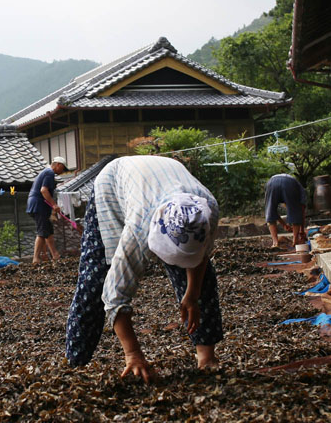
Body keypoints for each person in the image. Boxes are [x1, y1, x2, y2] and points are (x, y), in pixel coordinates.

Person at [65, 155, 222, 383]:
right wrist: (133, 354)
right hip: (113, 185)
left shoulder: (207, 210)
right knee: (94, 281)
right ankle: (75, 363)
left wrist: (192, 295)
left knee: (204, 280)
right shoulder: (139, 229)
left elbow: (201, 256)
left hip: (160, 180)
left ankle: (207, 358)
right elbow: (115, 294)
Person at [26, 156, 68, 264]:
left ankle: (55, 255)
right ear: (58, 165)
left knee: (48, 230)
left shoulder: (47, 172)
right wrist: (54, 205)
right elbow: (44, 190)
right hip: (38, 205)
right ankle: (35, 259)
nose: (62, 171)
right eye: (62, 168)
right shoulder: (49, 173)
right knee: (42, 231)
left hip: (37, 204)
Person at [264, 173, 307, 248]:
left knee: (270, 211)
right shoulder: (301, 191)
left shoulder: (297, 189)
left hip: (272, 182)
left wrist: (284, 224)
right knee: (295, 212)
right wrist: (302, 231)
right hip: (289, 183)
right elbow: (300, 212)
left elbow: (273, 212)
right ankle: (295, 240)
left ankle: (275, 242)